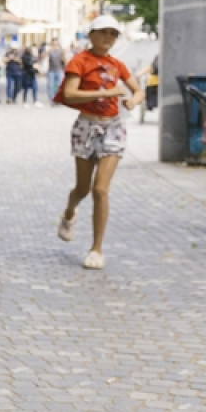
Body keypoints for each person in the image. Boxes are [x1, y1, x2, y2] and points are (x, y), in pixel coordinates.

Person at [55, 15, 142, 270]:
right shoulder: (79, 61)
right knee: (82, 189)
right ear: (91, 35)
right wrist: (106, 92)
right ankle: (69, 212)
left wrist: (133, 101)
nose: (108, 37)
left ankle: (96, 249)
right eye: (103, 32)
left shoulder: (117, 64)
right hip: (86, 127)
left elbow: (137, 90)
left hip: (113, 127)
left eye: (113, 34)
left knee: (100, 190)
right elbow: (70, 93)